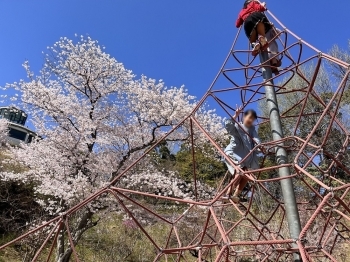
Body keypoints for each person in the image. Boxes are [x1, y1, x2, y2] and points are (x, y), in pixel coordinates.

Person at [223, 106, 262, 203]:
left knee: (246, 174)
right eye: (249, 117)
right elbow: (229, 126)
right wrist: (235, 115)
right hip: (233, 153)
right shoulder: (238, 126)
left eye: (252, 119)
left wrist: (260, 146)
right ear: (244, 117)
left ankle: (236, 195)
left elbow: (257, 140)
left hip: (245, 157)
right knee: (240, 172)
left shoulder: (252, 130)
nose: (250, 120)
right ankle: (227, 194)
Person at [236, 0, 281, 74]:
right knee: (266, 36)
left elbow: (237, 24)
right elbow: (260, 8)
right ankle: (261, 38)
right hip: (257, 17)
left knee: (252, 38)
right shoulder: (253, 3)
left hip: (247, 23)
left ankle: (255, 44)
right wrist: (262, 4)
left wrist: (242, 18)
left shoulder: (241, 11)